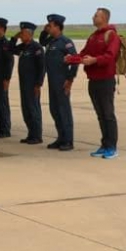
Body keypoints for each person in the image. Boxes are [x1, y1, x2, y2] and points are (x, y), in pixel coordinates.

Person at [67, 7, 121, 159]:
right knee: (100, 114)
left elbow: (110, 56)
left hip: (105, 80)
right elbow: (83, 54)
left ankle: (112, 147)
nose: (93, 17)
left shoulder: (111, 35)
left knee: (108, 114)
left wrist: (95, 60)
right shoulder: (93, 36)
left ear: (104, 18)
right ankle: (104, 145)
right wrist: (71, 59)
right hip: (93, 80)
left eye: (96, 15)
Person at [43, 14, 77, 151]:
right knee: (55, 110)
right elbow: (41, 40)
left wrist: (70, 80)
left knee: (64, 111)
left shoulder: (65, 42)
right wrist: (45, 31)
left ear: (57, 26)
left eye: (50, 26)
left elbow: (75, 61)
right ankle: (61, 138)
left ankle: (68, 140)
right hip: (52, 81)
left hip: (62, 81)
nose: (48, 28)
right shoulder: (51, 41)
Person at [12, 22, 45, 145]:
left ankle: (37, 135)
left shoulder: (37, 48)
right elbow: (11, 49)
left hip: (33, 84)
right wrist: (14, 38)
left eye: (23, 33)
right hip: (24, 84)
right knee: (26, 109)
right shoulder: (23, 47)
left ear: (29, 34)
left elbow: (42, 67)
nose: (21, 36)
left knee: (33, 109)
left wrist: (38, 84)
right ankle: (31, 134)